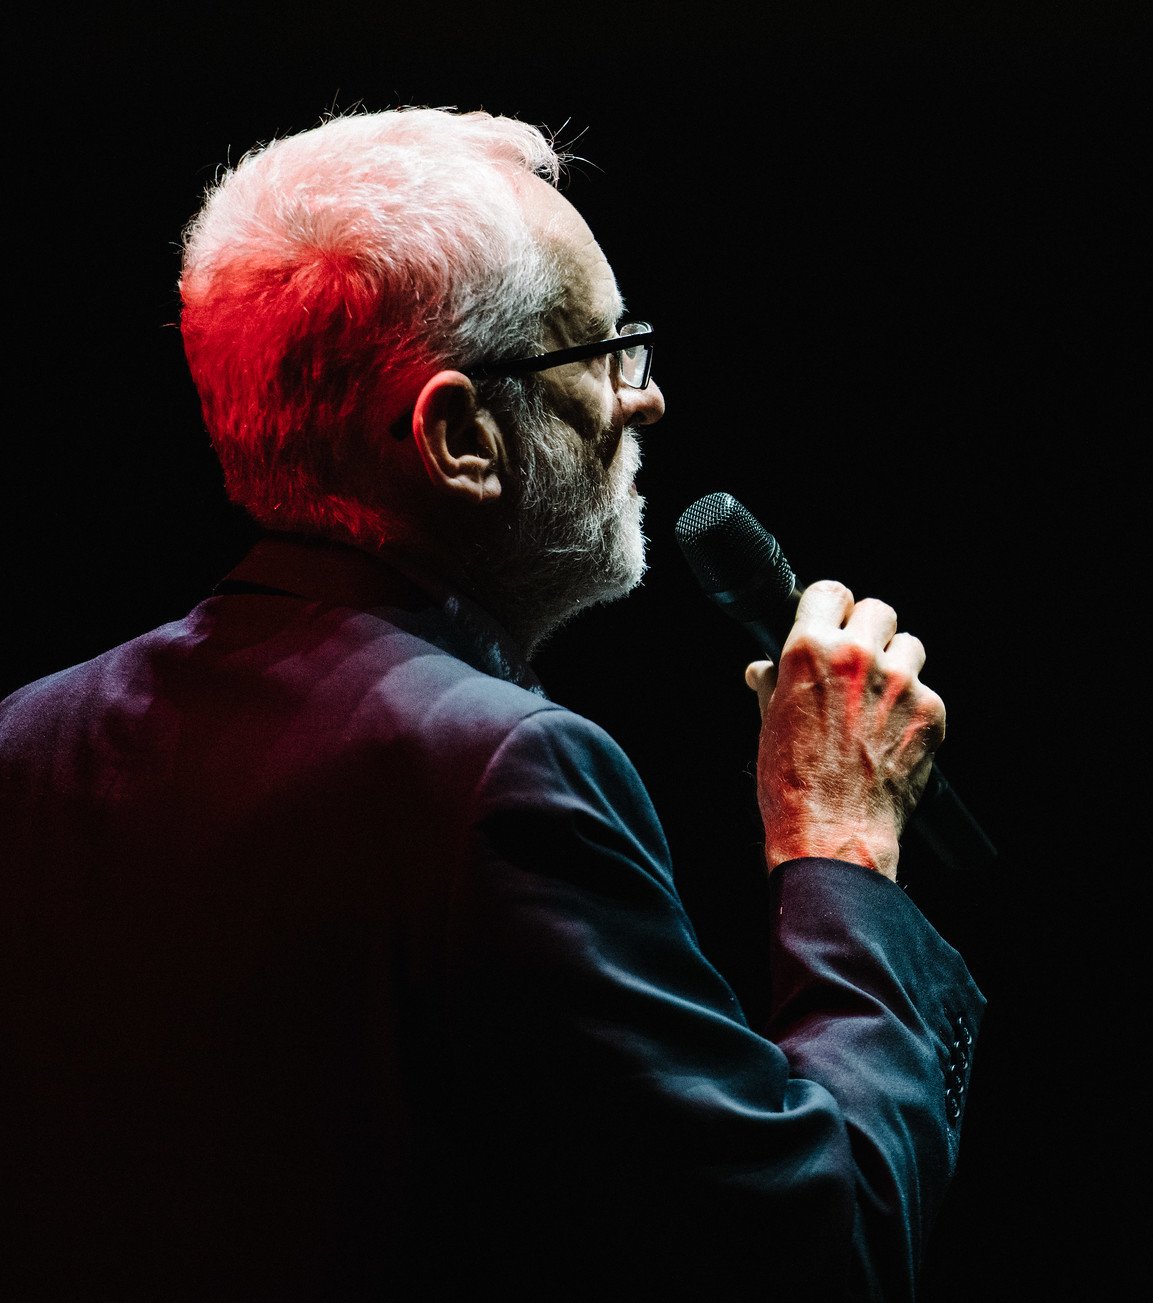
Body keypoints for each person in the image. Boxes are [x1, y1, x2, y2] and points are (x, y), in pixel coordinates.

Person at [0, 106, 984, 1302]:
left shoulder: (29, 738)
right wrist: (840, 838)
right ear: (461, 437)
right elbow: (825, 1244)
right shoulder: (498, 769)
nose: (645, 400)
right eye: (604, 349)